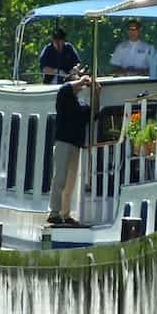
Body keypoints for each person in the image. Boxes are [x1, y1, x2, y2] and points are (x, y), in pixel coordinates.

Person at [47, 73, 93, 226]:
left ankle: (65, 214)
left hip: (75, 144)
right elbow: (66, 87)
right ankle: (54, 213)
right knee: (59, 177)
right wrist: (82, 80)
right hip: (63, 143)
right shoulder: (63, 95)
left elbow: (94, 114)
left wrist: (97, 94)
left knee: (71, 182)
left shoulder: (80, 103)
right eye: (76, 81)